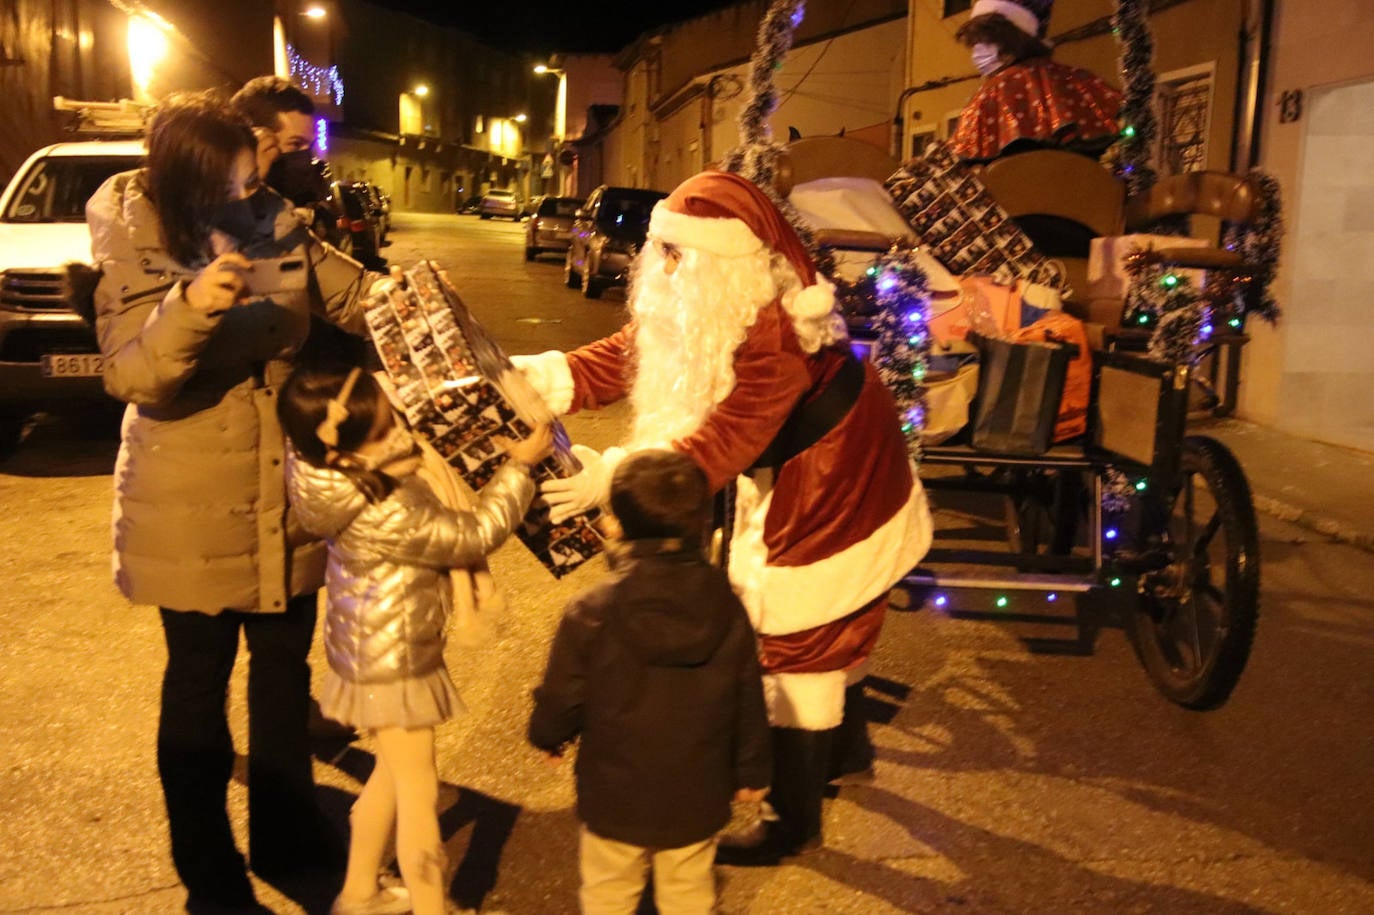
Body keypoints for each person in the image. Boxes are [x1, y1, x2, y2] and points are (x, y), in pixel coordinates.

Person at [513, 169, 933, 863]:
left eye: (679, 255)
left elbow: (723, 441)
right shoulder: (710, 298)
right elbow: (634, 353)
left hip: (832, 469)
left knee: (799, 631)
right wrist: (546, 377)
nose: (664, 267)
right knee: (829, 624)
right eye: (662, 251)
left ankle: (790, 815)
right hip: (806, 452)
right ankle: (846, 749)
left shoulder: (767, 331)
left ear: (722, 261)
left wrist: (615, 481)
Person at [87, 90, 387, 911]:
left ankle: (288, 835)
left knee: (284, 674)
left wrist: (408, 304)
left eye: (259, 177)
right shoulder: (135, 231)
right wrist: (191, 309)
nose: (253, 193)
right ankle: (208, 871)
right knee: (198, 685)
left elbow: (355, 295)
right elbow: (132, 374)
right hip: (189, 502)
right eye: (237, 182)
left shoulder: (278, 216)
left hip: (283, 491)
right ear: (187, 181)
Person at [279, 364, 552, 915]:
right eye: (385, 431)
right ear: (351, 449)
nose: (400, 432)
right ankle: (430, 904)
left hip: (369, 645)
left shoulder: (324, 470)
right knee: (419, 793)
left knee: (392, 773)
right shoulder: (387, 504)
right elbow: (471, 535)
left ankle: (359, 892)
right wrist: (518, 471)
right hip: (395, 661)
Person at [528, 449, 772, 913]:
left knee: (608, 890)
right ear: (701, 522)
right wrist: (753, 770)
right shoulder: (726, 605)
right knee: (688, 891)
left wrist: (548, 734)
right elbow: (747, 691)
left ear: (616, 523)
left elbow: (565, 689)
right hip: (699, 789)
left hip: (614, 790)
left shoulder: (592, 611)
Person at [950, 0, 1122, 163]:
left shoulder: (994, 91)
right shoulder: (1076, 78)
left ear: (1011, 38)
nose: (976, 53)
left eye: (984, 41)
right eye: (974, 44)